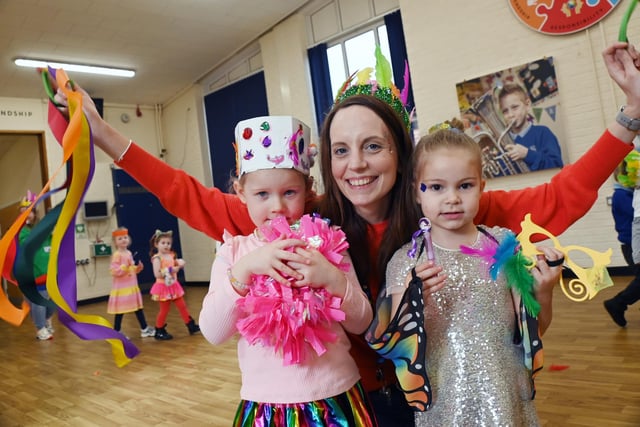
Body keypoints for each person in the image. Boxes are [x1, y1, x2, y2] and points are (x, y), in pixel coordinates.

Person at [52, 41, 640, 426]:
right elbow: (192, 198)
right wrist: (105, 137)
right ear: (325, 162)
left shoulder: (446, 208)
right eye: (340, 150)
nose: (356, 164)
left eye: (373, 146)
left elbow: (561, 196)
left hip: (441, 398)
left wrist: (629, 117)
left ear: (402, 155)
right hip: (354, 404)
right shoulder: (308, 217)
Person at [377, 121, 564, 425]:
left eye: (464, 185)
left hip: (506, 399)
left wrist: (544, 290)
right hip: (445, 405)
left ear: (481, 186)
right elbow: (397, 343)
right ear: (416, 192)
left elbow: (535, 328)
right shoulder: (407, 262)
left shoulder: (504, 246)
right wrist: (412, 304)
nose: (452, 198)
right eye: (436, 187)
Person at [199, 116, 376, 426]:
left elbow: (362, 322)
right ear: (241, 192)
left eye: (289, 193)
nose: (277, 206)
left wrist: (332, 279)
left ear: (307, 189)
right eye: (262, 195)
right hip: (267, 407)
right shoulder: (233, 254)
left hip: (338, 398)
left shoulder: (328, 243)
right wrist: (245, 270)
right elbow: (213, 332)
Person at [604, 151, 640, 327]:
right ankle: (617, 303)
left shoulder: (631, 194)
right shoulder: (621, 196)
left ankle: (617, 303)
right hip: (632, 247)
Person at [497, 82, 564, 171]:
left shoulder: (543, 133)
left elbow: (557, 165)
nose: (510, 115)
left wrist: (527, 154)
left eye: (515, 107)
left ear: (527, 105)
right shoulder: (503, 144)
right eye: (505, 111)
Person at [17, 192, 56, 341]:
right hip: (33, 274)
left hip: (48, 273)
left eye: (28, 213)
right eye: (22, 214)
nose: (26, 216)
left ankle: (46, 321)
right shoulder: (23, 232)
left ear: (34, 213)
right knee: (38, 302)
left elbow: (54, 240)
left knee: (51, 303)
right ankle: (40, 329)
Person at [148, 229, 200, 340]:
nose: (166, 245)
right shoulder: (157, 258)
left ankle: (190, 325)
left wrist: (180, 263)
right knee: (164, 310)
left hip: (173, 286)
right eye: (163, 243)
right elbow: (157, 274)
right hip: (163, 287)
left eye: (168, 243)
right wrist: (173, 269)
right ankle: (159, 329)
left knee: (182, 306)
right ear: (156, 244)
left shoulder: (171, 255)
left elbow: (176, 264)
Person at [108, 227, 155, 337]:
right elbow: (114, 271)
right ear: (115, 242)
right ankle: (117, 331)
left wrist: (137, 268)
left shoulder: (128, 253)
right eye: (120, 239)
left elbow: (130, 269)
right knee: (120, 311)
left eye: (125, 237)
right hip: (122, 289)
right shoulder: (117, 255)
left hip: (131, 286)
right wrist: (124, 267)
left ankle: (144, 328)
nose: (123, 240)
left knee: (138, 308)